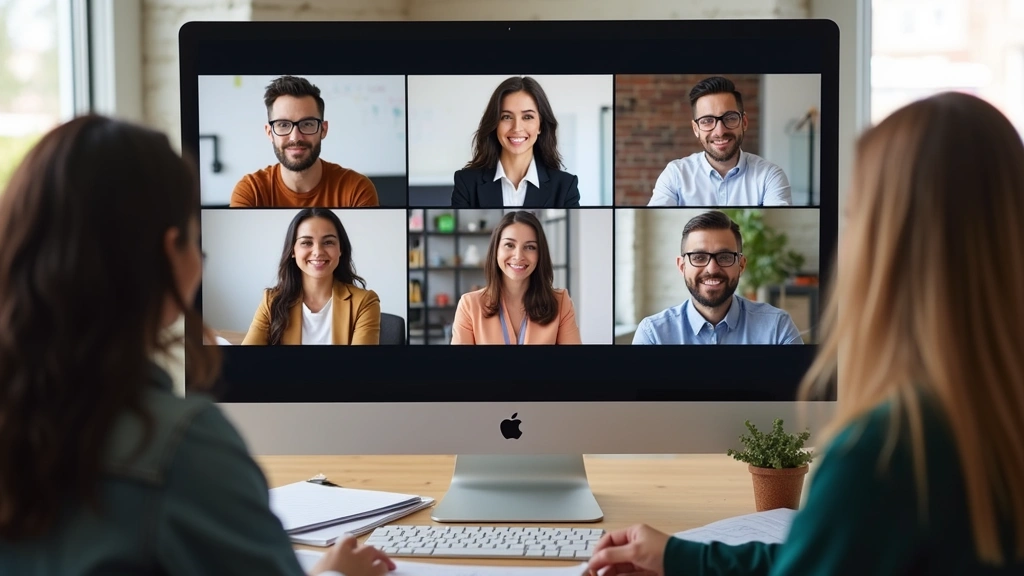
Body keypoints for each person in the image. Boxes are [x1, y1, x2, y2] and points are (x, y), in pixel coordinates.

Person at [589, 92, 1024, 575]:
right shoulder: (984, 414)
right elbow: (824, 558)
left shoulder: (887, 447)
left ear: (887, 241)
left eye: (856, 214)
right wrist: (679, 555)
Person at [0, 115, 395, 575]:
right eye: (197, 236)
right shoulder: (184, 447)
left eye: (329, 241)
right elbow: (247, 357)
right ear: (173, 253)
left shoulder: (361, 291)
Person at [632, 210, 802, 345]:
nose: (712, 269)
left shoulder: (777, 327)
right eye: (699, 257)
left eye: (725, 257)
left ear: (741, 265)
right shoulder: (653, 334)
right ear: (682, 266)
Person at [230, 75, 379, 208]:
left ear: (323, 129)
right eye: (283, 125)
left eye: (307, 124)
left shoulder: (357, 189)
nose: (295, 137)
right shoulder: (250, 192)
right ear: (270, 132)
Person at [242, 208, 381, 345]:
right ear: (293, 251)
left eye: (328, 242)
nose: (318, 252)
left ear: (341, 249)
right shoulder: (272, 301)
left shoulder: (364, 302)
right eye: (306, 243)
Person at [648, 76, 792, 207]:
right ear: (696, 129)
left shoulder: (770, 176)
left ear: (744, 122)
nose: (720, 131)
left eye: (730, 118)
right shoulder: (675, 174)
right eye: (707, 121)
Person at [451, 210, 582, 344]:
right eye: (509, 245)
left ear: (540, 254)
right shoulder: (469, 306)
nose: (518, 256)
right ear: (496, 250)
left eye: (530, 247)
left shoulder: (561, 304)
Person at [451, 76, 581, 208]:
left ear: (540, 125)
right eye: (506, 117)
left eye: (527, 117)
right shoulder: (466, 182)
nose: (517, 128)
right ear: (495, 123)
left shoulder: (565, 186)